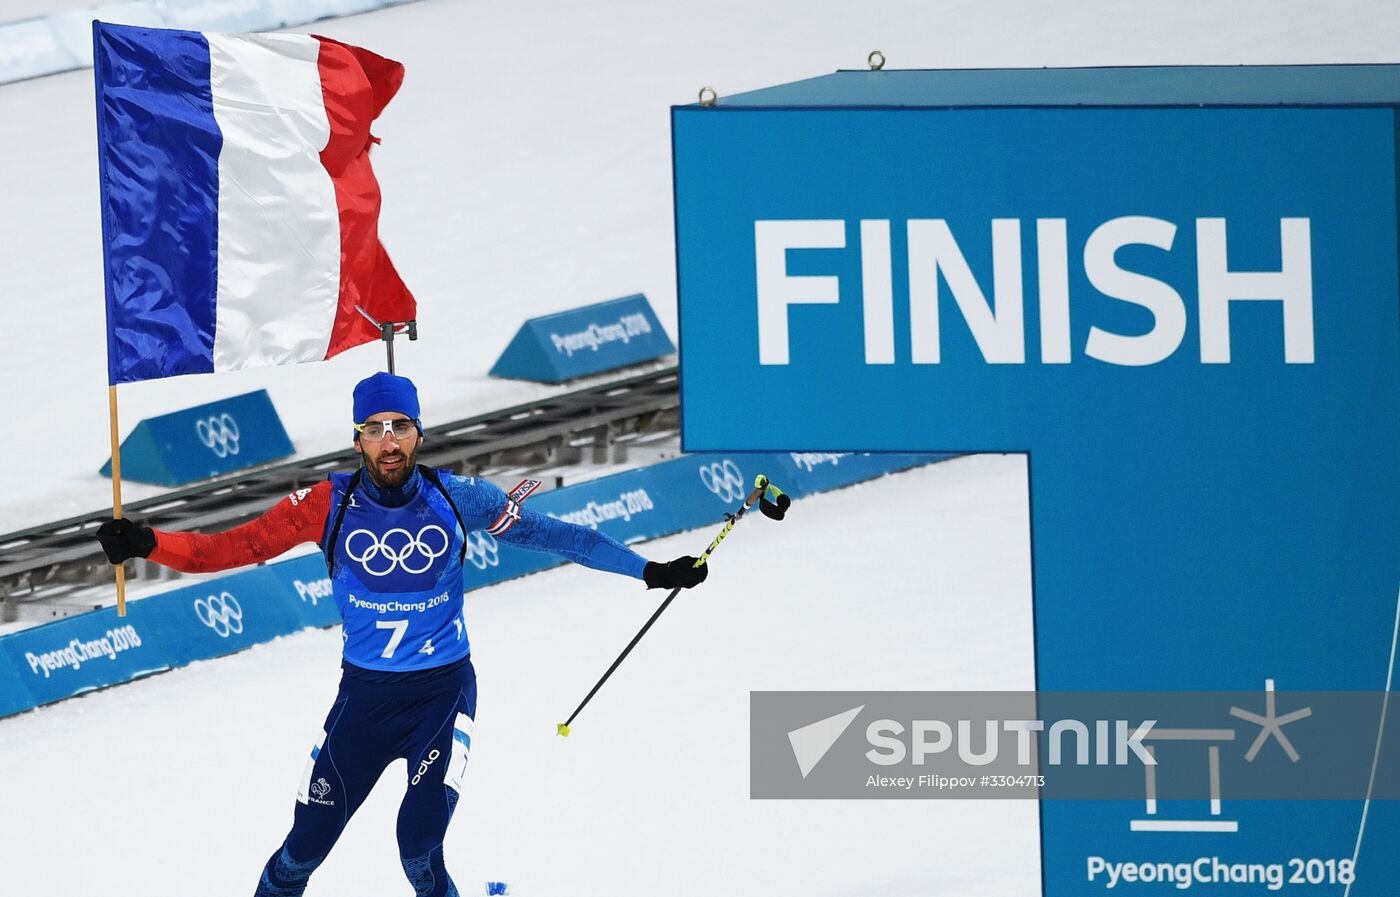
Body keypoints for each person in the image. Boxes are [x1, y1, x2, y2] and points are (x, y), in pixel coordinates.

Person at [95, 372, 707, 897]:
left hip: (440, 696)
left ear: (419, 432)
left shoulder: (456, 496)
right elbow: (229, 548)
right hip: (363, 700)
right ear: (356, 437)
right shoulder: (324, 505)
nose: (389, 441)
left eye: (400, 426)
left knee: (416, 846)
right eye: (375, 428)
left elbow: (560, 535)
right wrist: (150, 543)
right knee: (302, 849)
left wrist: (650, 571)